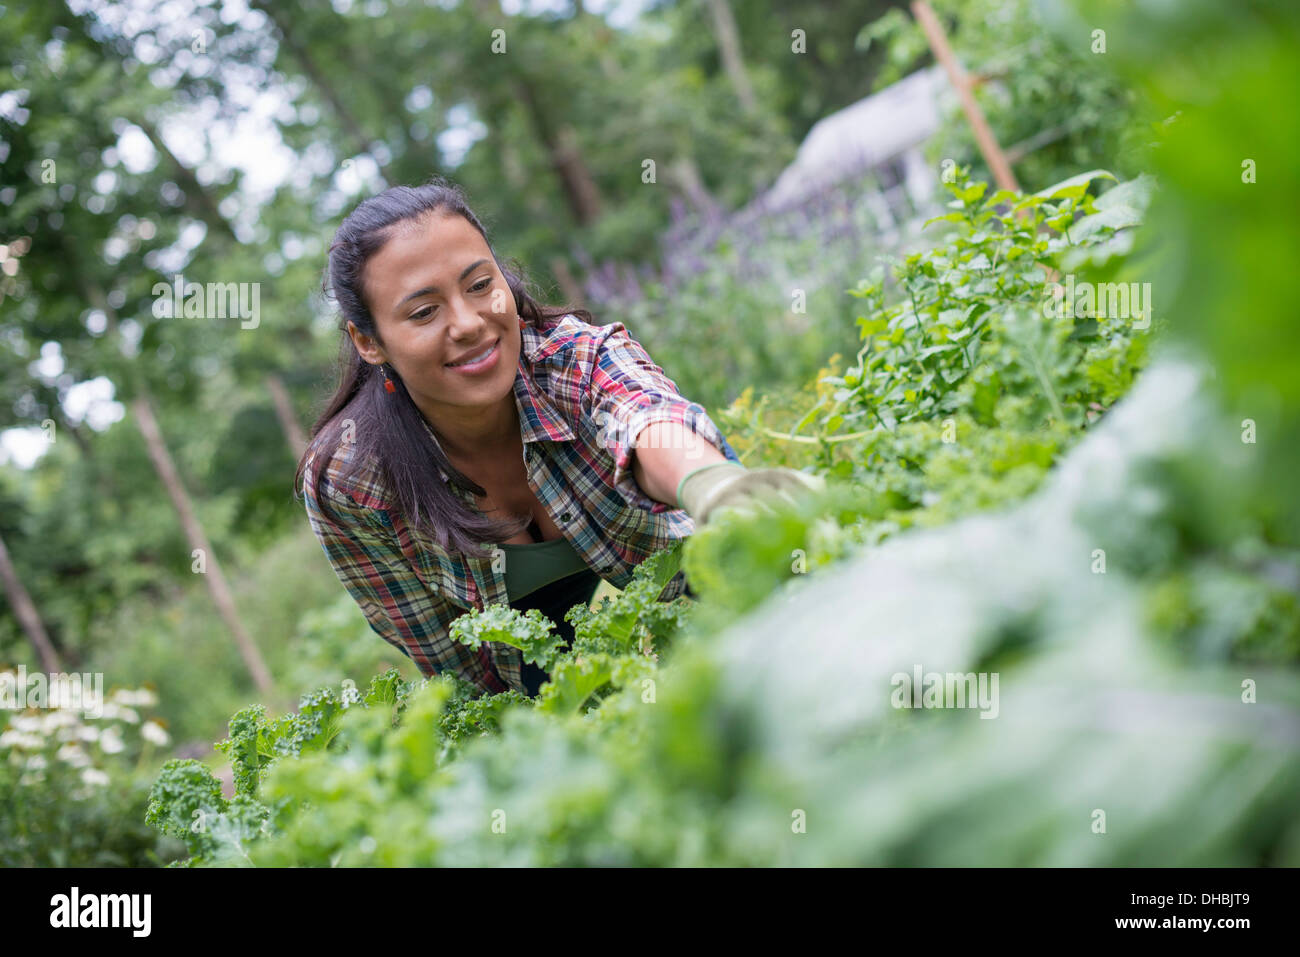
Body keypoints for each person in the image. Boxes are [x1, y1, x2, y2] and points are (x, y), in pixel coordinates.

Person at [294, 178, 821, 697]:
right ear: (369, 341)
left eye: (480, 285)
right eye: (424, 312)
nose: (469, 323)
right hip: (521, 654)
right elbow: (451, 666)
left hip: (678, 548)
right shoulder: (350, 481)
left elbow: (645, 417)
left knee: (766, 619)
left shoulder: (571, 357)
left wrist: (711, 485)